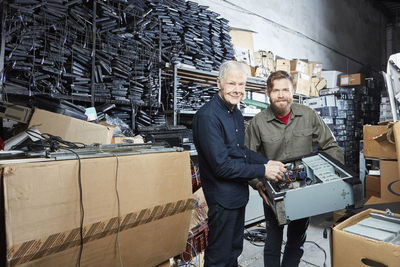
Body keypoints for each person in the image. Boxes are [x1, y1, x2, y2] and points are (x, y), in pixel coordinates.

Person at [245, 70, 344, 267]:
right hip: (274, 190)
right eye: (276, 91)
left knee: (296, 240)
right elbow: (245, 157)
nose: (281, 95)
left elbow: (331, 147)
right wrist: (258, 184)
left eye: (285, 90)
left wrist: (327, 175)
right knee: (273, 241)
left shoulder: (308, 115)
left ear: (293, 91)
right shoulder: (257, 123)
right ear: (268, 93)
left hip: (303, 188)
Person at [192, 61, 286, 267]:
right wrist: (263, 170)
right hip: (222, 200)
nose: (237, 90)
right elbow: (222, 166)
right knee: (219, 256)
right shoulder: (208, 117)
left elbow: (239, 151)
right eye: (232, 84)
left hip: (237, 197)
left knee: (233, 251)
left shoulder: (234, 112)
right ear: (219, 83)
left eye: (241, 85)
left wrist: (266, 161)